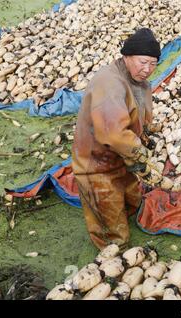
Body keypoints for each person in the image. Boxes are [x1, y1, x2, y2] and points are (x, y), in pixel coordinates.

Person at [72, 28, 162, 250]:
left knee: (133, 199)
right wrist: (139, 152)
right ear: (126, 56)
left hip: (121, 158)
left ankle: (125, 214)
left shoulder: (139, 81)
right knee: (115, 233)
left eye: (153, 63)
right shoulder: (109, 83)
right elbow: (113, 132)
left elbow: (141, 113)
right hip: (97, 163)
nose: (147, 69)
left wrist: (146, 134)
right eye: (143, 62)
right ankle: (112, 248)